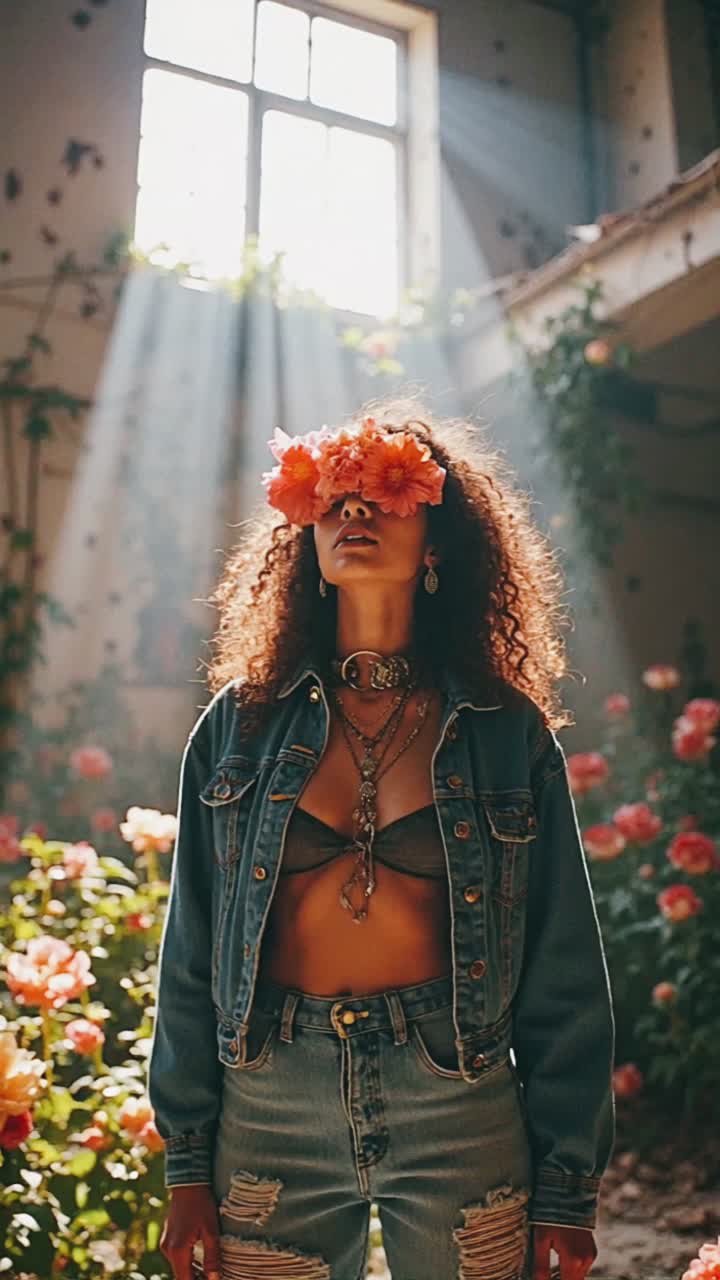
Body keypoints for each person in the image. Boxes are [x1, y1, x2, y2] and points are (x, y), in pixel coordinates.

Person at [148, 395, 615, 1280]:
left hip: (457, 1096)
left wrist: (567, 1187)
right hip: (271, 1097)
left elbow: (566, 969)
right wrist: (185, 1165)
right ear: (308, 545)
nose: (354, 511)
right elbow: (192, 952)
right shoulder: (238, 728)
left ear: (438, 543)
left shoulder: (506, 735)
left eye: (384, 496)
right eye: (334, 500)